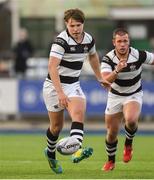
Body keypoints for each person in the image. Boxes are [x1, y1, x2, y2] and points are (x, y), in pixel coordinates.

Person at [43, 8, 110, 174]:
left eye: (78, 25)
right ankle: (51, 153)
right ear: (66, 24)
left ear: (83, 24)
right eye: (72, 25)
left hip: (73, 84)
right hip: (54, 86)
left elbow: (93, 56)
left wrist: (99, 76)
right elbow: (52, 67)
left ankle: (77, 150)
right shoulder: (61, 41)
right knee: (56, 127)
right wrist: (60, 93)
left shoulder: (88, 39)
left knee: (78, 113)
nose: (75, 29)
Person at [101, 28, 154, 171]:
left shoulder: (138, 55)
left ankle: (128, 143)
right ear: (114, 43)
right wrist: (117, 70)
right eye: (119, 41)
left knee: (131, 120)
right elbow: (105, 81)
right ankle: (110, 161)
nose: (123, 44)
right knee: (112, 133)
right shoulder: (108, 58)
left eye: (125, 41)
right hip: (115, 95)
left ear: (129, 42)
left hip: (133, 94)